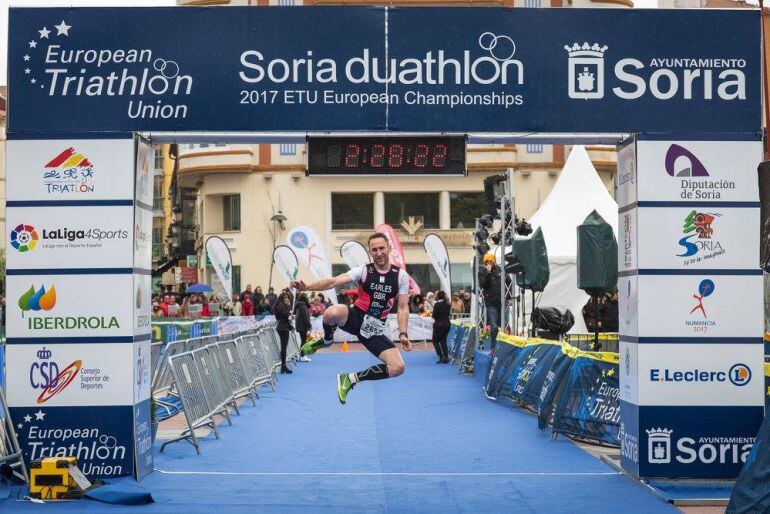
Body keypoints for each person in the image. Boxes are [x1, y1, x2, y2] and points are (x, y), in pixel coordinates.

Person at [290, 232, 411, 404]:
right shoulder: (363, 270)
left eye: (382, 248)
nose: (379, 252)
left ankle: (350, 379)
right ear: (371, 252)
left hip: (373, 329)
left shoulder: (400, 276)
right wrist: (307, 286)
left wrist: (403, 334)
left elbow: (403, 306)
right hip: (356, 316)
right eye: (374, 249)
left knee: (398, 367)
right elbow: (333, 281)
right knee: (331, 312)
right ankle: (326, 340)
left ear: (389, 248)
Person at [478, 253, 502, 350]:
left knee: (503, 327)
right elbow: (483, 284)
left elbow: (507, 283)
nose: (489, 263)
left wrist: (508, 297)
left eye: (490, 261)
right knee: (494, 327)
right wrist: (488, 273)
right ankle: (493, 347)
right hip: (491, 303)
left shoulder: (499, 271)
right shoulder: (482, 272)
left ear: (494, 262)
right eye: (487, 261)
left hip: (501, 302)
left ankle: (500, 347)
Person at [274, 293, 294, 374]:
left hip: (284, 327)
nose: (286, 299)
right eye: (285, 297)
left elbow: (287, 317)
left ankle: (284, 366)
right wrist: (289, 306)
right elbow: (285, 315)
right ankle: (283, 366)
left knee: (284, 347)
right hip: (282, 328)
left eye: (287, 297)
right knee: (283, 348)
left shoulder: (282, 306)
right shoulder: (280, 306)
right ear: (281, 298)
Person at [431, 291, 451, 363]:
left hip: (439, 324)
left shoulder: (437, 304)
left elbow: (434, 315)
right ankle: (446, 356)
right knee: (443, 341)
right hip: (447, 324)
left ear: (438, 296)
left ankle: (441, 356)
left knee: (435, 340)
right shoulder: (448, 304)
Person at [294, 293, 312, 362]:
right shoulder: (302, 305)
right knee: (303, 341)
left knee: (303, 340)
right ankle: (302, 355)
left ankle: (302, 355)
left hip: (301, 325)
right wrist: (309, 325)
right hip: (302, 326)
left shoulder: (300, 305)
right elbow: (305, 317)